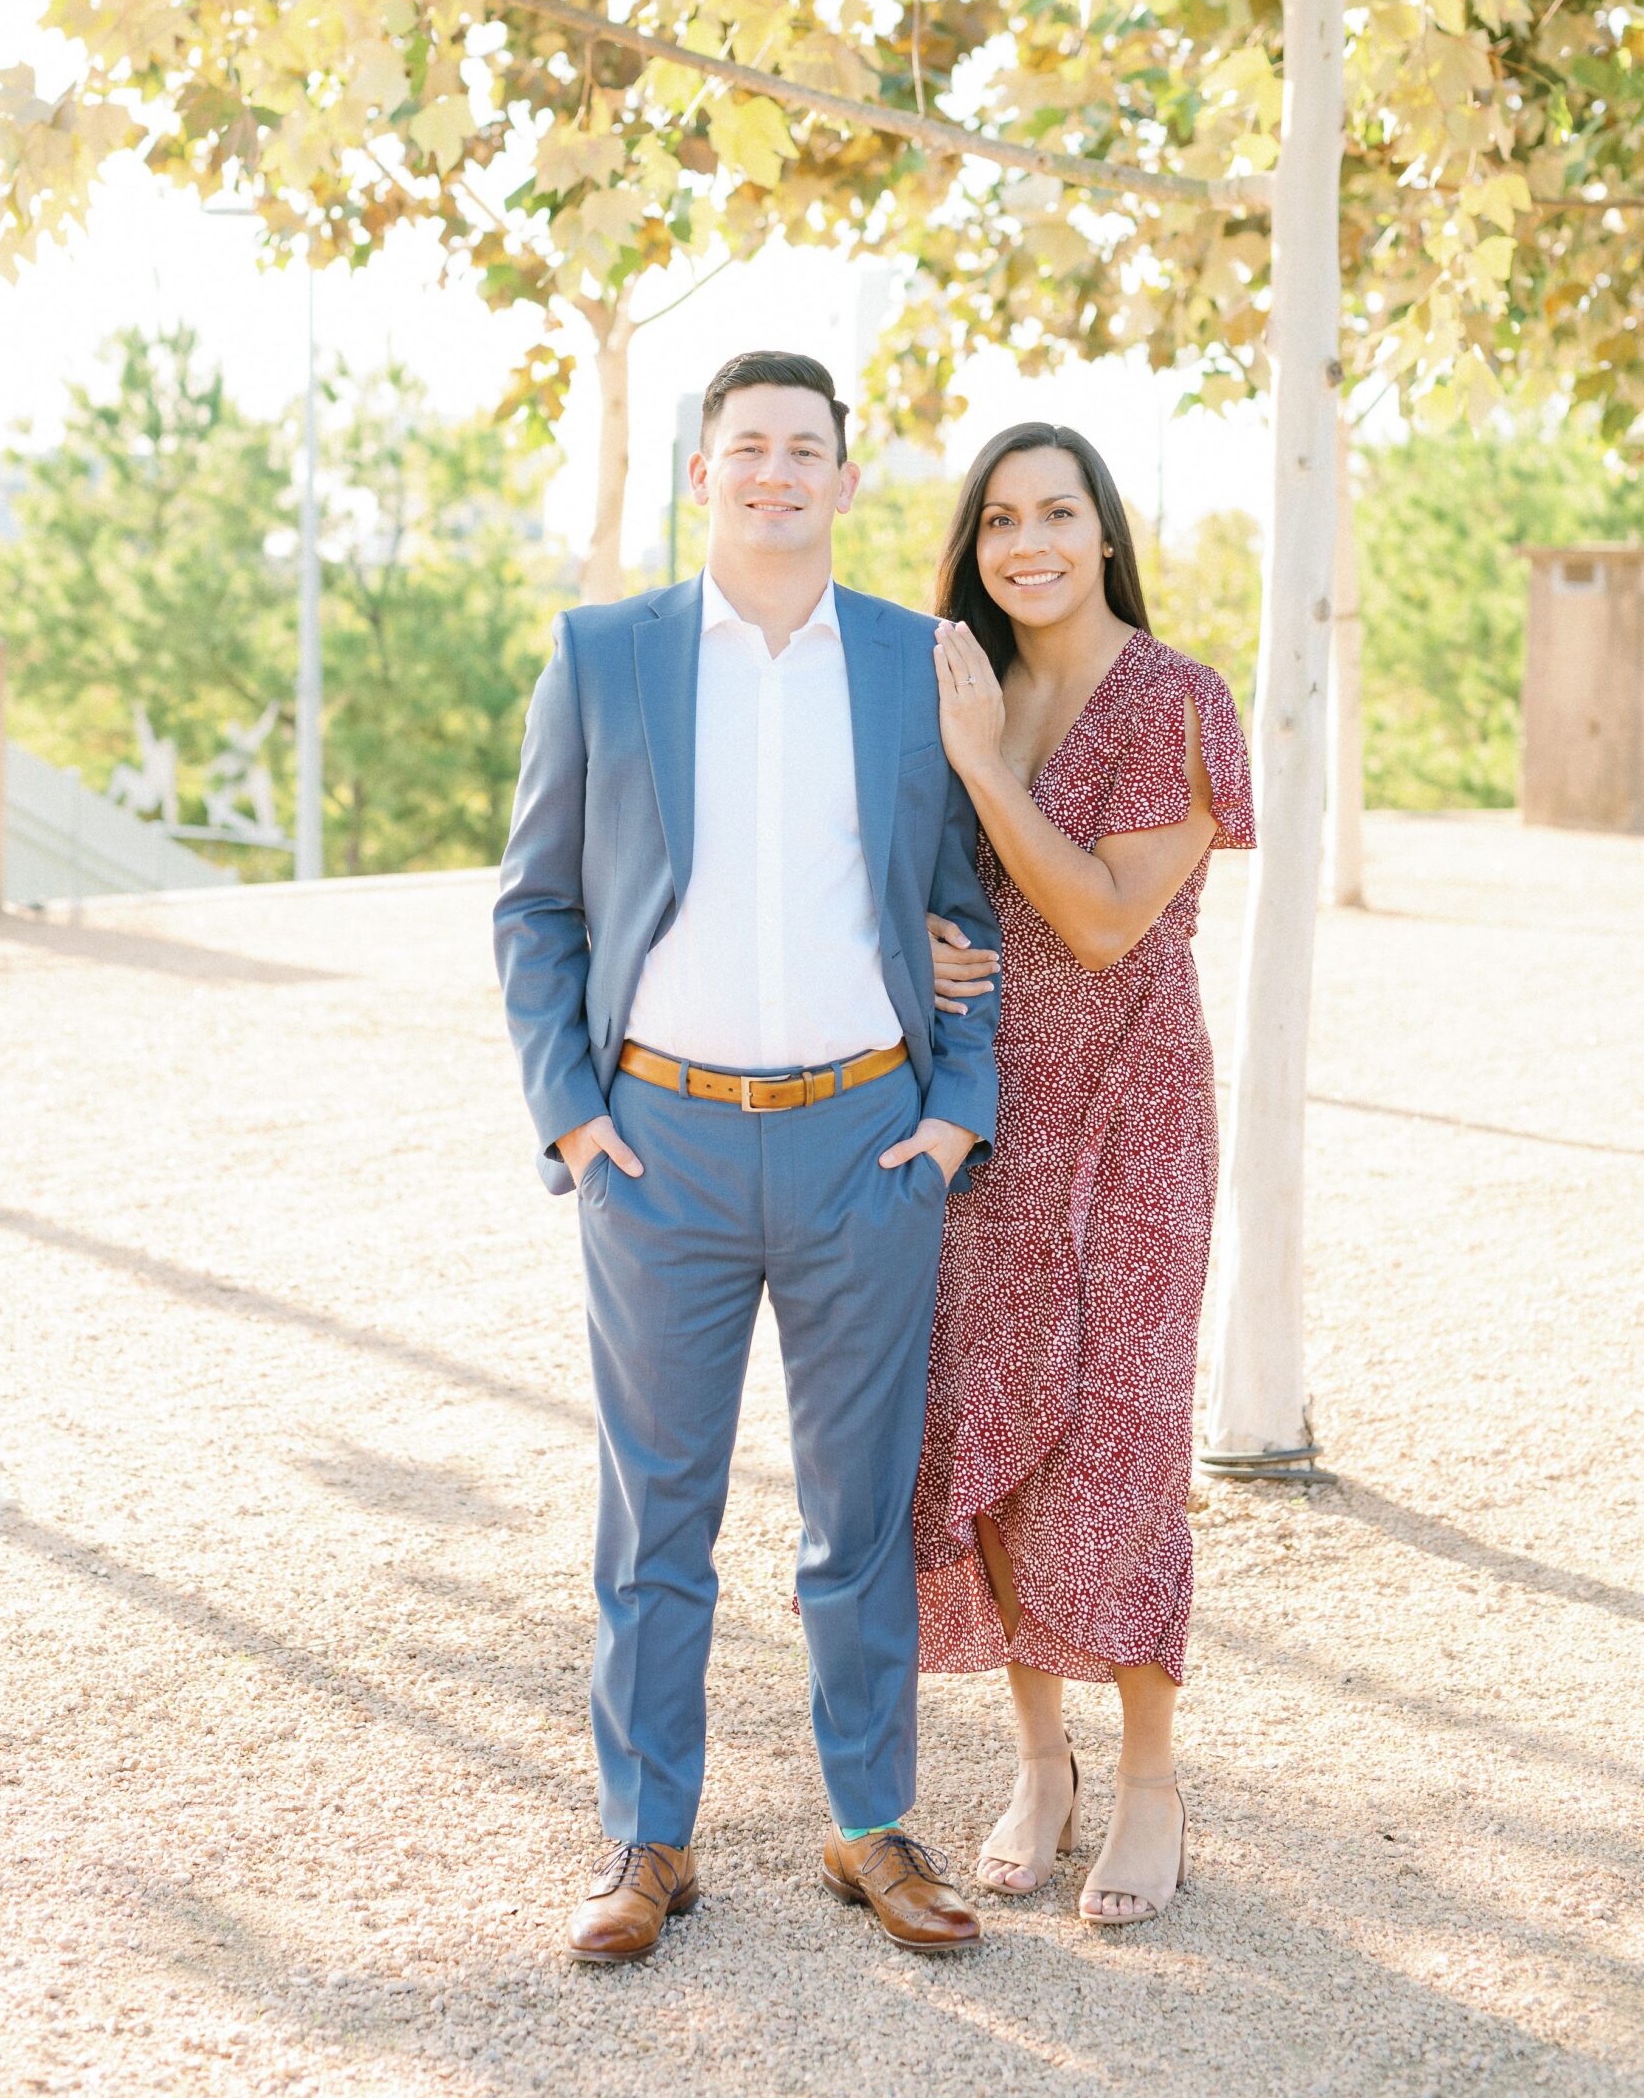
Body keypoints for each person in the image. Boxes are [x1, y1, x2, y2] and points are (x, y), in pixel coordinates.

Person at [495, 351, 1000, 1964]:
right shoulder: (604, 657)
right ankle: (648, 1840)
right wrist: (575, 1114)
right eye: (748, 448)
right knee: (657, 1520)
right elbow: (536, 906)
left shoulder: (915, 662)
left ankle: (869, 1827)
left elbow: (961, 905)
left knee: (861, 1514)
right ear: (702, 475)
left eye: (806, 449)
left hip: (869, 1144)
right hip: (663, 1149)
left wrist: (951, 1117)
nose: (776, 471)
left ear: (848, 480)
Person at [911, 422, 1255, 1924]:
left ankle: (1149, 1781)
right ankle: (1039, 1761)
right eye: (999, 520)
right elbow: (925, 883)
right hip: (986, 1107)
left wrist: (982, 769)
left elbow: (1110, 921)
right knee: (992, 1425)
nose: (1028, 543)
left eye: (1057, 512)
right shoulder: (964, 685)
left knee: (1116, 1435)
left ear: (1106, 531)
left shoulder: (1179, 702)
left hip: (1129, 1119)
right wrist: (913, 946)